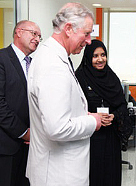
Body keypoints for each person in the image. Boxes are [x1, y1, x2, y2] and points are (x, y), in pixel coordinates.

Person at [26, 3, 110, 186]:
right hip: (59, 174)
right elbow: (57, 128)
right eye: (86, 34)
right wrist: (92, 121)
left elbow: (55, 111)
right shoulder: (53, 66)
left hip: (58, 169)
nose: (89, 40)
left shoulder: (55, 57)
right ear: (69, 29)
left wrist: (82, 114)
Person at [75, 39, 133, 186]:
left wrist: (114, 115)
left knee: (110, 174)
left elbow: (122, 104)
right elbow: (74, 107)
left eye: (103, 55)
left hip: (110, 135)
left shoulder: (111, 77)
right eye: (95, 56)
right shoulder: (80, 77)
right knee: (93, 175)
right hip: (90, 136)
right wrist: (93, 117)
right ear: (88, 57)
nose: (100, 59)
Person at [0, 20, 41, 186]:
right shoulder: (2, 59)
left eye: (40, 36)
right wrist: (24, 132)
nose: (37, 39)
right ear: (18, 31)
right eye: (34, 34)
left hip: (30, 147)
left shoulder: (34, 64)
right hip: (7, 147)